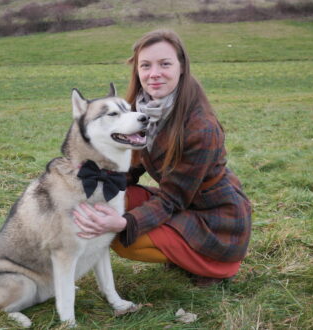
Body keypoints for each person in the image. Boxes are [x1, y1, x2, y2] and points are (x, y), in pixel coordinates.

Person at [73, 29, 251, 287]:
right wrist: (93, 181)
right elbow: (130, 170)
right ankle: (177, 249)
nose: (153, 73)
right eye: (145, 65)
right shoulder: (141, 111)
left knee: (124, 239)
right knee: (109, 198)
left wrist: (124, 222)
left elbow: (172, 198)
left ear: (181, 67)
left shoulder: (200, 127)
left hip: (217, 221)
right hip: (182, 205)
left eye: (164, 64)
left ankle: (210, 266)